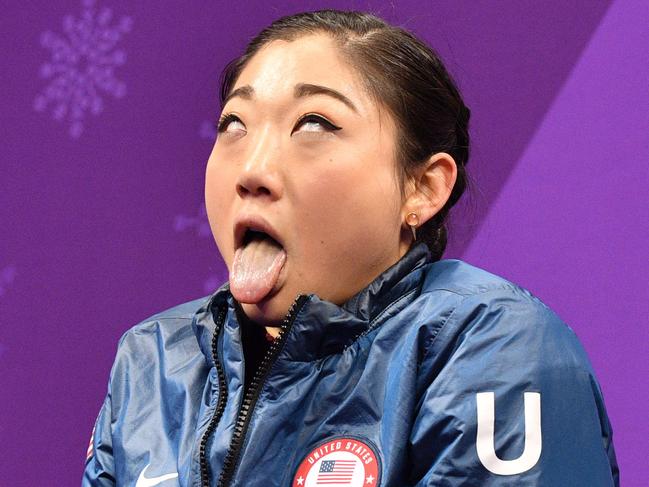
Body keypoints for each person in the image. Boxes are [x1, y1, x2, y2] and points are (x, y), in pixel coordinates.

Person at [82, 9, 619, 487]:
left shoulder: (491, 346)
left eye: (313, 123)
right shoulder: (151, 357)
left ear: (423, 188)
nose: (252, 170)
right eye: (234, 124)